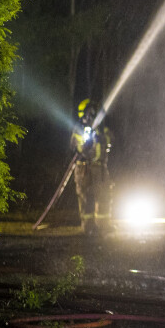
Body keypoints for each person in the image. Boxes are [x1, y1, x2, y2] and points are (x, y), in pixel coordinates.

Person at [70, 98, 113, 235]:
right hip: (84, 168)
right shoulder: (78, 130)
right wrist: (84, 146)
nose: (92, 115)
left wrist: (103, 138)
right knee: (85, 197)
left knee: (104, 196)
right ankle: (88, 227)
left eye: (94, 112)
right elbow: (74, 147)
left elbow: (111, 141)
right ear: (83, 114)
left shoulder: (102, 129)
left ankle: (104, 225)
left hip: (100, 168)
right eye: (89, 112)